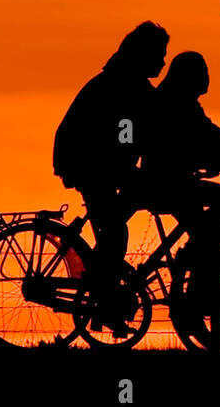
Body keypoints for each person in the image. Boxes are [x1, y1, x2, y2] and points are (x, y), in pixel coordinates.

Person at [53, 21, 169, 336]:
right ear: (143, 54)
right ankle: (104, 300)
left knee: (114, 226)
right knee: (116, 232)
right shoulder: (123, 84)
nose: (162, 62)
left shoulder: (129, 81)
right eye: (159, 55)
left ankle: (104, 288)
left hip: (101, 163)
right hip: (88, 164)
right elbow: (138, 134)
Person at [141, 51, 220, 347]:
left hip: (171, 181)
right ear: (190, 76)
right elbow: (205, 136)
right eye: (202, 72)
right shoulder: (178, 102)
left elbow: (198, 140)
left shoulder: (175, 99)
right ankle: (193, 288)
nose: (206, 79)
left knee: (217, 211)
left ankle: (197, 247)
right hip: (169, 186)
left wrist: (218, 159)